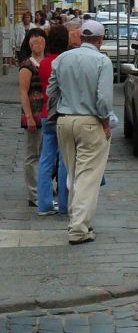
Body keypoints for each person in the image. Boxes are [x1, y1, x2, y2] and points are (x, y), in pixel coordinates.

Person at [48, 20, 114, 245]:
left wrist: (58, 113)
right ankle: (78, 228)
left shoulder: (61, 59)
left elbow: (51, 91)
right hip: (90, 122)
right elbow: (103, 99)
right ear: (100, 40)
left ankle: (78, 219)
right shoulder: (102, 61)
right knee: (88, 176)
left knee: (74, 174)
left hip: (64, 121)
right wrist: (105, 123)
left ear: (80, 38)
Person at [36, 25, 69, 216]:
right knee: (64, 159)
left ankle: (44, 204)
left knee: (46, 159)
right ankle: (64, 204)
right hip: (62, 113)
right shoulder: (65, 61)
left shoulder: (44, 63)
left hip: (45, 113)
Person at [18, 27, 47, 206]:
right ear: (28, 43)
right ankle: (33, 193)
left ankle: (43, 188)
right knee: (32, 154)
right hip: (34, 113)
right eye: (33, 38)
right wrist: (28, 116)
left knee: (46, 153)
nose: (37, 41)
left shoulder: (49, 61)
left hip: (48, 112)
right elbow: (23, 93)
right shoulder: (27, 65)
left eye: (40, 38)